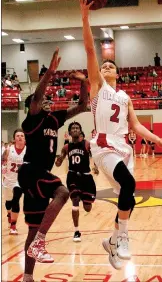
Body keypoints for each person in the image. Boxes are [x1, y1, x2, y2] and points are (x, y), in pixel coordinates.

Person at [80, 0, 162, 270]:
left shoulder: (125, 97)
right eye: (104, 65)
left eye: (111, 66)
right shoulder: (98, 87)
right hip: (103, 147)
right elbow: (88, 51)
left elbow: (135, 126)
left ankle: (112, 241)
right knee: (130, 186)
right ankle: (123, 237)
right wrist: (85, 18)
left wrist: (156, 138)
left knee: (128, 197)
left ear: (118, 74)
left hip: (124, 149)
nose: (106, 66)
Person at [17, 48, 88, 282]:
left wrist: (84, 83)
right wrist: (49, 74)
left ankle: (28, 276)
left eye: (48, 99)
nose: (46, 100)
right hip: (30, 170)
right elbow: (37, 96)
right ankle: (40, 241)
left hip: (39, 174)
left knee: (32, 227)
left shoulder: (54, 119)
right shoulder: (32, 119)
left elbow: (81, 106)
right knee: (63, 192)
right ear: (32, 107)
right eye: (41, 100)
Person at [55, 122, 96, 242]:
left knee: (88, 207)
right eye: (73, 128)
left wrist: (96, 167)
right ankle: (76, 231)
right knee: (75, 200)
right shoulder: (66, 147)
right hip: (73, 176)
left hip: (86, 177)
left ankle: (85, 197)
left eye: (77, 128)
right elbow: (59, 162)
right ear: (70, 132)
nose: (75, 129)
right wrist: (57, 160)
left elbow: (95, 157)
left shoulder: (87, 144)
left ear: (80, 131)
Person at [2, 129, 26, 235]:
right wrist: (3, 166)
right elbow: (2, 160)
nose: (20, 137)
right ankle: (9, 214)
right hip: (8, 180)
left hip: (20, 181)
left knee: (16, 199)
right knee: (8, 203)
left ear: (25, 138)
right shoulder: (8, 149)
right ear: (14, 138)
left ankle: (13, 225)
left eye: (22, 135)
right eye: (18, 135)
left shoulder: (28, 150)